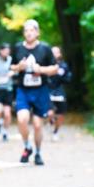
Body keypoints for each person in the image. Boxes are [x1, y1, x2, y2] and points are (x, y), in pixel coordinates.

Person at [10, 20, 58, 165]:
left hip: (40, 90)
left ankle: (38, 152)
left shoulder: (45, 48)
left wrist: (40, 70)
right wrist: (19, 66)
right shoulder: (18, 48)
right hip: (23, 90)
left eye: (32, 30)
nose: (29, 33)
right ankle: (27, 146)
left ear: (37, 32)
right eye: (26, 30)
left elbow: (55, 68)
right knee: (21, 119)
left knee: (38, 125)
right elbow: (11, 67)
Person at [46, 46, 72, 141]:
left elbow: (68, 78)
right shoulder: (45, 64)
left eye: (56, 52)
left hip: (59, 91)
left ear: (59, 54)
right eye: (52, 52)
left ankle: (55, 132)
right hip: (47, 90)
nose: (54, 54)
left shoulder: (64, 66)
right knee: (49, 112)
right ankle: (50, 121)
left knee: (61, 114)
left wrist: (60, 74)